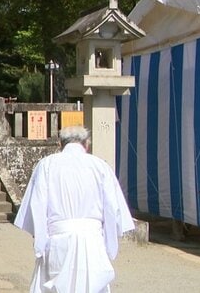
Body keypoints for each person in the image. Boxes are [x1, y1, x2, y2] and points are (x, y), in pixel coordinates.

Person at [14, 125, 135, 293]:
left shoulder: (47, 165)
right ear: (86, 144)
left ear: (60, 144)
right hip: (92, 241)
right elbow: (112, 209)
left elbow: (37, 205)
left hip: (58, 239)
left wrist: (40, 242)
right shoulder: (100, 166)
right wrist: (109, 246)